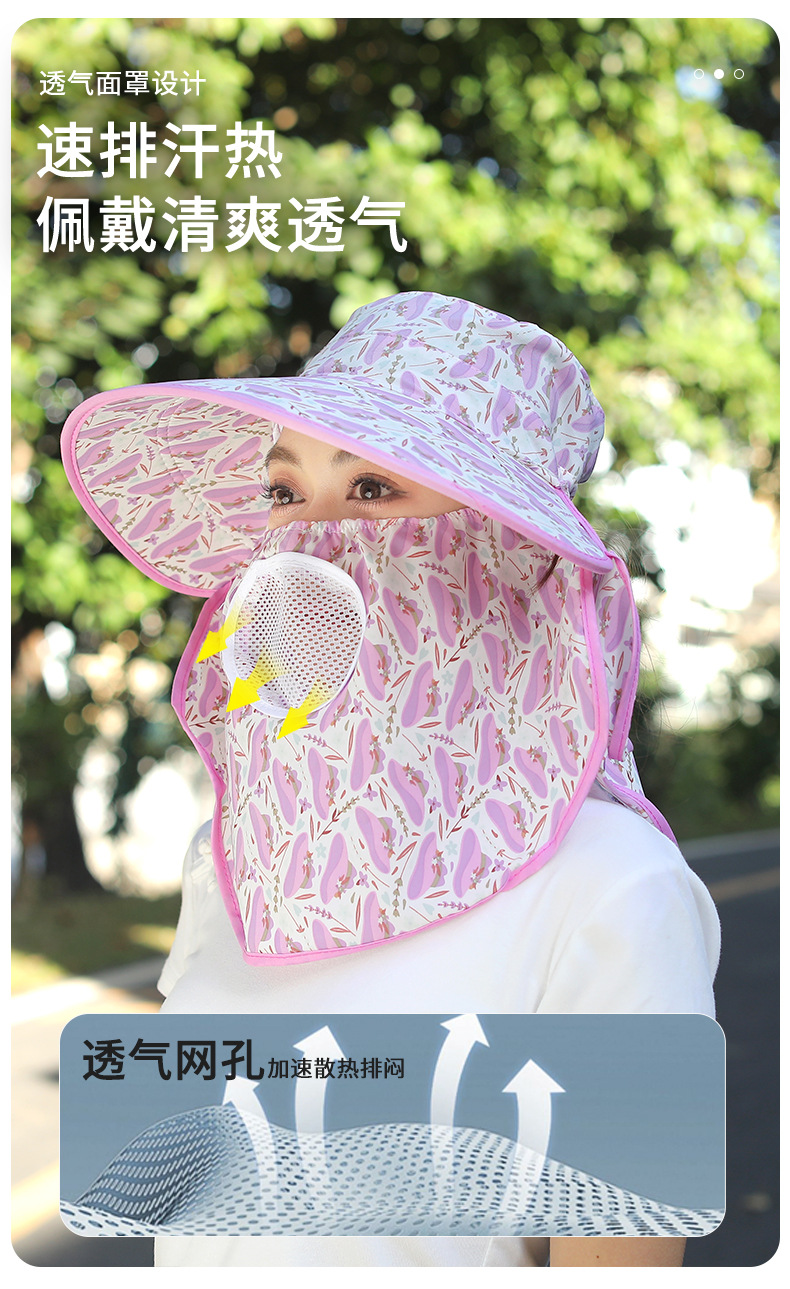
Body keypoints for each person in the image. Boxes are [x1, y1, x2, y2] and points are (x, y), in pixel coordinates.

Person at [62, 291, 720, 1268]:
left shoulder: (613, 886)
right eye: (285, 491)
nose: (313, 537)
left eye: (373, 489)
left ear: (511, 548)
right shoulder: (239, 860)